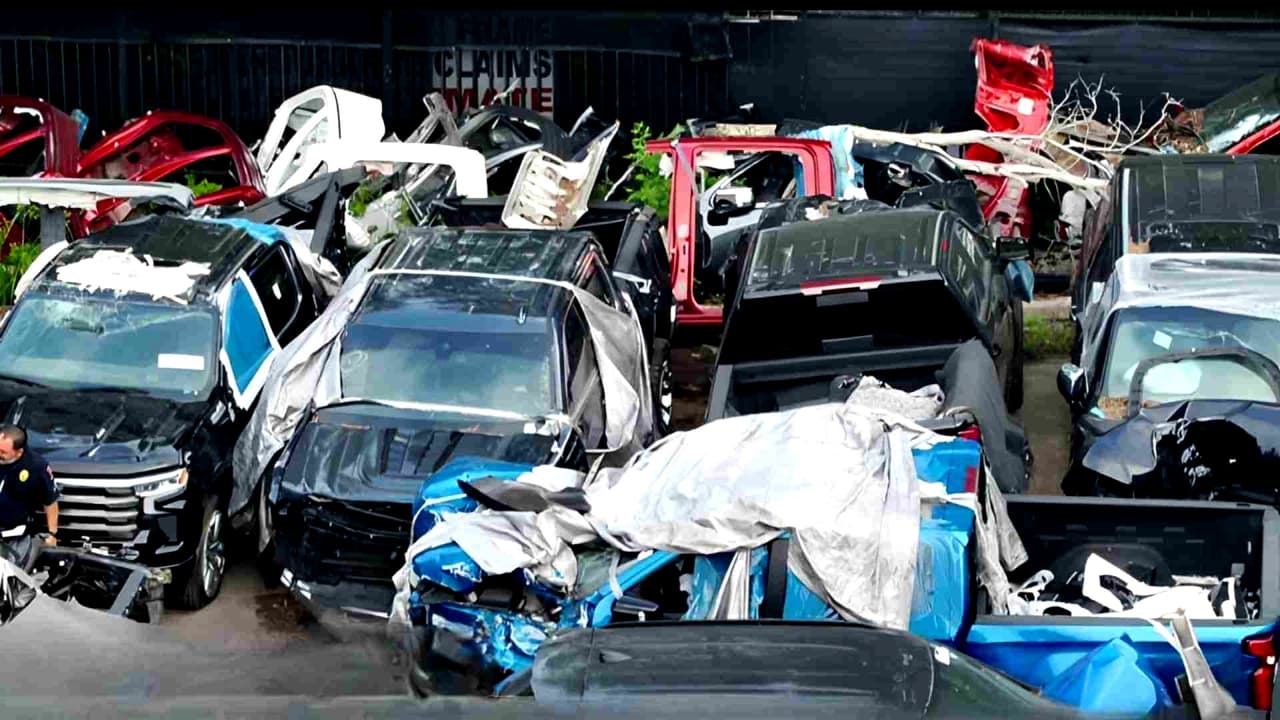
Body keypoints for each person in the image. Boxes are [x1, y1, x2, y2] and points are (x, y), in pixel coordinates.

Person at [0, 425, 58, 569]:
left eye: (3, 452)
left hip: (14, 536)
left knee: (11, 573)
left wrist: (52, 534)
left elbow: (50, 502)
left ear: (19, 452)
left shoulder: (36, 466)